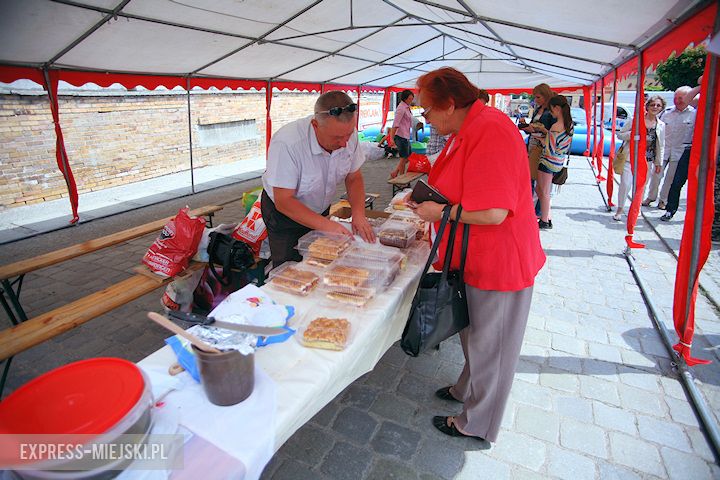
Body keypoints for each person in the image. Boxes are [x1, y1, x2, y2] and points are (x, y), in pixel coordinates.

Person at [409, 67, 545, 443]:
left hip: (500, 261)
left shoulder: (491, 130)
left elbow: (494, 212)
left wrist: (442, 212)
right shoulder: (466, 128)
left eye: (428, 111)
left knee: (493, 346)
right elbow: (459, 182)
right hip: (473, 257)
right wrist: (429, 197)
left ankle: (478, 423)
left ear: (450, 105)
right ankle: (465, 389)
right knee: (474, 335)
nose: (426, 118)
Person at [261, 91, 375, 267]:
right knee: (290, 269)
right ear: (315, 125)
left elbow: (354, 177)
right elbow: (283, 201)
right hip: (284, 214)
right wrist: (326, 226)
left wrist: (358, 214)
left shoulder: (346, 134)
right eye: (337, 138)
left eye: (349, 135)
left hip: (319, 207)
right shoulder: (287, 143)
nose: (345, 143)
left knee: (321, 260)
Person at [612, 96, 666, 221]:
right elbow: (619, 134)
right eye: (652, 105)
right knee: (625, 184)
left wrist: (659, 163)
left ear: (662, 108)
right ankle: (620, 209)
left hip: (647, 159)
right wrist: (634, 135)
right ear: (647, 106)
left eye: (658, 105)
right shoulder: (635, 120)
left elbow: (661, 145)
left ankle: (636, 209)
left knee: (641, 186)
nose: (655, 107)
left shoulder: (661, 125)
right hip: (630, 157)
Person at [644, 86, 695, 209]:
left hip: (680, 151)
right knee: (656, 175)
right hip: (663, 150)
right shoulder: (666, 113)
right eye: (675, 98)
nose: (678, 100)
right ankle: (651, 197)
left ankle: (663, 200)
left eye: (681, 98)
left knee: (670, 178)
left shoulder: (694, 114)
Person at [661, 83, 699, 222]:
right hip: (689, 149)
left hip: (708, 151)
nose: (678, 100)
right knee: (676, 182)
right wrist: (704, 82)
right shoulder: (698, 104)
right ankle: (670, 210)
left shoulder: (693, 112)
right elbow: (689, 98)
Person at [535, 95, 574, 229]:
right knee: (546, 192)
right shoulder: (570, 125)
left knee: (543, 192)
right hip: (559, 162)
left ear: (557, 108)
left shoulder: (556, 126)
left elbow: (550, 148)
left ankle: (544, 220)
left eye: (551, 110)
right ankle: (547, 217)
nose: (551, 112)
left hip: (547, 162)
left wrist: (542, 140)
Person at [388, 90, 415, 178]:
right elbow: (395, 124)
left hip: (406, 135)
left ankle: (395, 172)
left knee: (407, 157)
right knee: (404, 158)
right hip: (401, 135)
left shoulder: (407, 107)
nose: (411, 100)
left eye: (412, 98)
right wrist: (392, 139)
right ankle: (401, 177)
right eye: (410, 99)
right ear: (405, 98)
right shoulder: (401, 108)